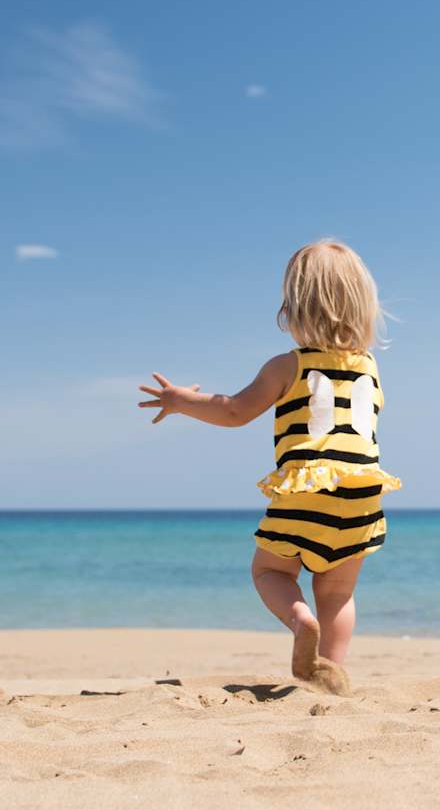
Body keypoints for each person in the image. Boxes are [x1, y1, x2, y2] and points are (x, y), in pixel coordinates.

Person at [137, 240, 401, 690]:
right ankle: (328, 676)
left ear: (291, 310)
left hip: (306, 490)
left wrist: (182, 401)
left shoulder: (287, 366)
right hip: (363, 493)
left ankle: (299, 621)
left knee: (271, 571)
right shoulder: (370, 368)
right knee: (337, 593)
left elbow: (235, 412)